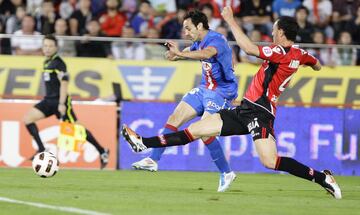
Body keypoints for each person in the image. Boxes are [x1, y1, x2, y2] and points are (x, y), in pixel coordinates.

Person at [122, 7, 342, 199]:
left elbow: (248, 49)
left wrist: (231, 21)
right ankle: (144, 143)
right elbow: (316, 64)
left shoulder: (278, 51)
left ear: (281, 32)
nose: (272, 32)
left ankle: (322, 178)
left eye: (274, 29)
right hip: (244, 109)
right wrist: (306, 67)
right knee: (196, 130)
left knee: (270, 161)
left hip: (260, 113)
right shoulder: (300, 54)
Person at [131, 10, 238, 192]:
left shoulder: (216, 40)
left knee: (205, 131)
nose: (185, 33)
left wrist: (181, 53)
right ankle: (153, 160)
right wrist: (175, 55)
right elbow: (192, 50)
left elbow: (206, 53)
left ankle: (226, 172)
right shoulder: (198, 42)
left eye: (188, 28)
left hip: (222, 91)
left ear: (199, 26)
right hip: (205, 88)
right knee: (175, 117)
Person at [23, 35, 110, 169]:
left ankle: (102, 151)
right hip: (48, 100)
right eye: (45, 46)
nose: (47, 48)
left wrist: (62, 103)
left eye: (50, 46)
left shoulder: (59, 63)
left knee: (78, 130)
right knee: (28, 119)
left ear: (56, 47)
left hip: (60, 102)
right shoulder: (47, 62)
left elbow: (64, 83)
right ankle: (41, 150)